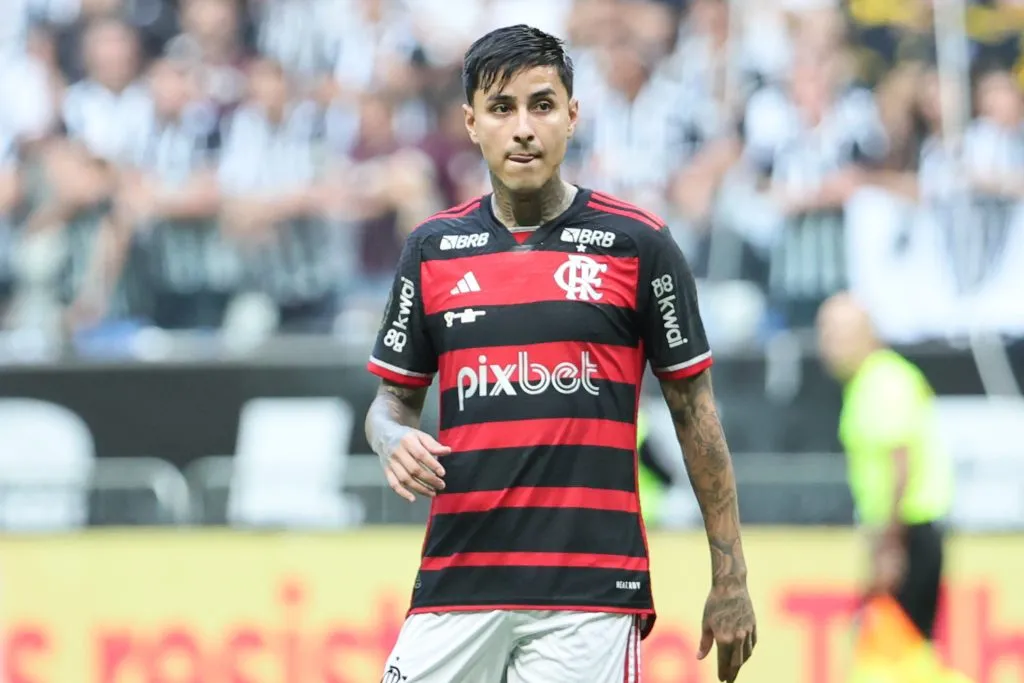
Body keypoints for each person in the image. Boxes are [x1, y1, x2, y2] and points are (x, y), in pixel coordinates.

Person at [364, 24, 756, 683]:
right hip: (458, 581)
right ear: (471, 123)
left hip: (589, 592)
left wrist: (731, 577)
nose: (523, 127)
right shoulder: (431, 250)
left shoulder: (639, 245)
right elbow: (388, 404)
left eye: (542, 105)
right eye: (502, 108)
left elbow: (695, 414)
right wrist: (388, 440)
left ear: (573, 116)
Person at [817, 292, 954, 641]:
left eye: (838, 334)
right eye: (825, 334)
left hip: (909, 533)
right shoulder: (873, 381)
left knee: (896, 654)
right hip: (901, 532)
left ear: (868, 333)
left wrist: (890, 548)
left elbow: (901, 466)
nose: (829, 346)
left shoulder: (883, 382)